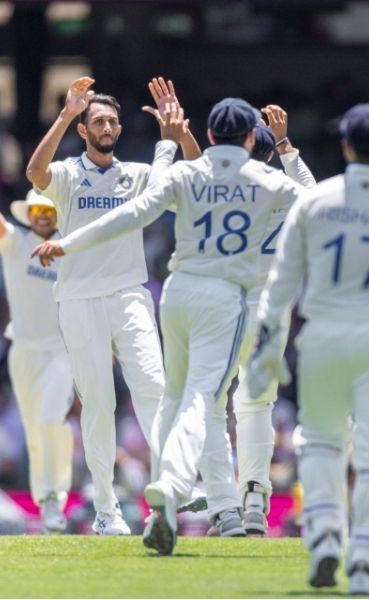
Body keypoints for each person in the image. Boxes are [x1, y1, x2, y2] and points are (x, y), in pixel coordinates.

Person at [31, 97, 306, 553]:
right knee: (224, 400)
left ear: (212, 136)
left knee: (180, 397)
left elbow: (130, 214)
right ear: (255, 139)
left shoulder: (184, 174)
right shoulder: (268, 178)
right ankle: (204, 491)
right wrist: (292, 152)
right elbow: (321, 204)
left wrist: (68, 243)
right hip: (236, 298)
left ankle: (207, 499)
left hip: (178, 295)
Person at [249, 102, 369, 594]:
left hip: (325, 337)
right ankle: (367, 559)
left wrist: (267, 345)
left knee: (320, 442)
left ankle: (324, 538)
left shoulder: (316, 202)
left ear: (345, 146)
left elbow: (280, 284)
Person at [23, 76, 195, 535]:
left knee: (155, 388)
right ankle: (106, 511)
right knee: (98, 403)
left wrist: (178, 133)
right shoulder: (66, 173)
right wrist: (64, 112)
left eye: (112, 122)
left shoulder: (137, 174)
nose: (106, 127)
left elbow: (197, 174)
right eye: (97, 120)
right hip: (78, 298)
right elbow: (34, 174)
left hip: (129, 294)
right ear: (84, 129)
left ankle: (171, 489)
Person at [232, 106, 317, 535]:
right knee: (257, 402)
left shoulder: (229, 184)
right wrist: (287, 148)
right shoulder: (287, 188)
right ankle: (252, 498)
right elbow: (315, 195)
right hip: (272, 310)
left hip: (226, 300)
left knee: (210, 400)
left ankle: (220, 499)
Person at [0, 191, 73, 533]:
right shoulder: (15, 241)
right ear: (28, 214)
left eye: (49, 210)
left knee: (50, 420)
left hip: (62, 349)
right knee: (33, 432)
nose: (42, 216)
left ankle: (55, 500)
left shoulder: (72, 246)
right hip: (24, 351)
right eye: (37, 210)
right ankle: (45, 505)